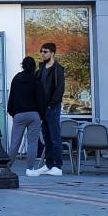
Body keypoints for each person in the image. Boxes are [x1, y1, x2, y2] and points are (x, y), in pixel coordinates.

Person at [7, 57, 46, 178]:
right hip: (34, 114)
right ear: (34, 67)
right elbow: (41, 98)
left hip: (19, 114)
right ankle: (30, 168)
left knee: (14, 143)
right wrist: (41, 114)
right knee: (32, 142)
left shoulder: (16, 79)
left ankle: (7, 167)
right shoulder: (35, 79)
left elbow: (12, 97)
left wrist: (12, 112)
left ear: (22, 65)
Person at [37, 42, 66, 176]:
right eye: (41, 51)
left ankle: (57, 166)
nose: (42, 54)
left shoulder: (57, 69)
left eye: (45, 52)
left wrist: (51, 104)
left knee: (54, 137)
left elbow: (60, 89)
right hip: (42, 108)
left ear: (52, 53)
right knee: (47, 137)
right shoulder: (41, 69)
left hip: (52, 108)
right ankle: (49, 164)